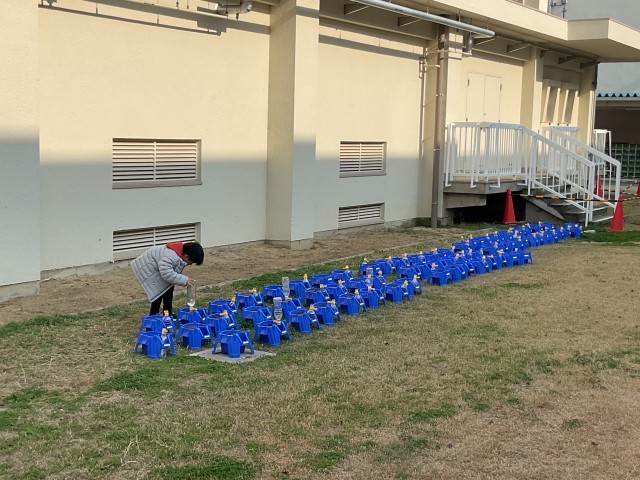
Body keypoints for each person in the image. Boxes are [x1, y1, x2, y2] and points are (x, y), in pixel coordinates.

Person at [131, 241, 204, 316]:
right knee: (158, 293)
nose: (190, 264)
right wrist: (185, 280)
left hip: (158, 268)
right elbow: (167, 273)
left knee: (168, 289)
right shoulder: (170, 256)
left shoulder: (178, 254)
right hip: (147, 268)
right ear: (186, 256)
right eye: (191, 262)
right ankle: (153, 316)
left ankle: (167, 313)